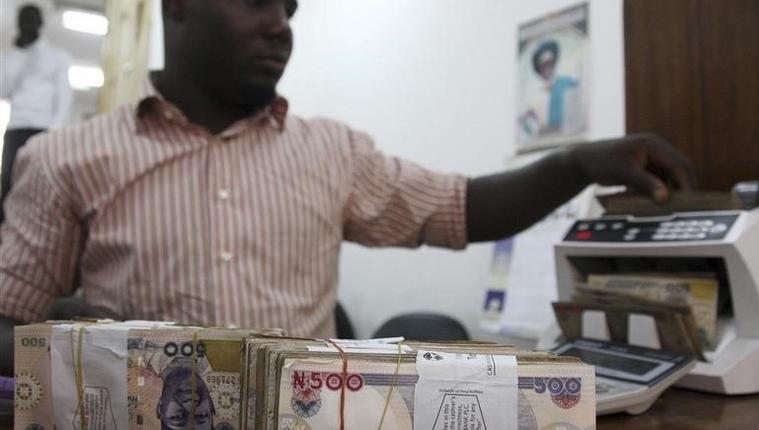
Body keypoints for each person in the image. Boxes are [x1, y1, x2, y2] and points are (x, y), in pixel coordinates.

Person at [0, 0, 695, 376]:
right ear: (177, 6)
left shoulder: (331, 151)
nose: (281, 24)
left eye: (291, 7)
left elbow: (460, 206)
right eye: (255, 1)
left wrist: (573, 166)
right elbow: (10, 320)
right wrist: (87, 348)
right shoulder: (67, 158)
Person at [0, 4, 73, 224]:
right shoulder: (10, 58)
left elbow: (64, 97)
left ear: (40, 24)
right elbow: (3, 90)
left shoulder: (57, 57)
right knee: (9, 183)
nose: (26, 25)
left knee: (38, 184)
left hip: (43, 129)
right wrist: (19, 56)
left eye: (31, 20)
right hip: (16, 127)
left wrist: (54, 132)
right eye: (23, 21)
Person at [532, 40, 579, 132]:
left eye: (550, 63)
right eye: (544, 65)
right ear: (539, 69)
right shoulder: (537, 97)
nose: (548, 68)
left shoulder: (568, 82)